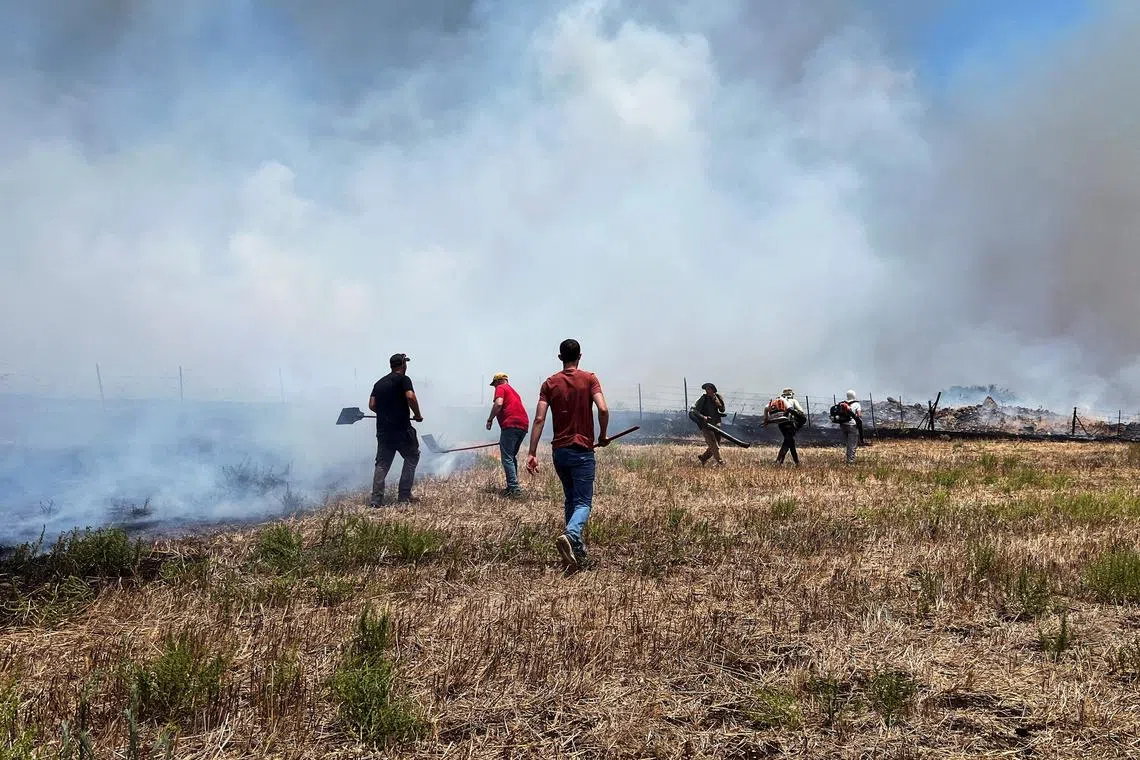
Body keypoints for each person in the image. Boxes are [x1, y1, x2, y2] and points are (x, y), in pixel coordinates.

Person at [525, 339, 610, 572]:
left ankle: (576, 550)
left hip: (559, 451)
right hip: (582, 449)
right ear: (579, 356)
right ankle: (571, 534)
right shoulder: (590, 379)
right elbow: (603, 409)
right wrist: (602, 435)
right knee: (583, 502)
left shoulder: (549, 384)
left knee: (571, 500)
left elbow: (539, 419)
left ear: (560, 358)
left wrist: (532, 452)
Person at [368, 353, 423, 506]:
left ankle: (376, 500)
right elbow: (410, 397)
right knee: (412, 457)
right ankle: (404, 496)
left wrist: (385, 414)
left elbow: (372, 405)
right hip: (401, 430)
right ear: (403, 364)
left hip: (383, 431)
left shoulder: (379, 383)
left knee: (382, 463)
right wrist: (417, 414)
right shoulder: (404, 379)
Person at [485, 372, 530, 498]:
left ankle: (514, 490)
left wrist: (490, 419)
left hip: (510, 425)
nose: (494, 387)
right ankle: (512, 486)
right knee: (511, 456)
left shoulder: (501, 388)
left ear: (498, 381)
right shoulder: (514, 391)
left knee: (507, 458)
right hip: (523, 425)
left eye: (494, 384)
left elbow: (498, 403)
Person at [690, 382, 726, 466]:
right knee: (714, 445)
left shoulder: (718, 397)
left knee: (714, 445)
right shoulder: (703, 398)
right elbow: (694, 410)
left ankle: (703, 458)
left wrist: (717, 402)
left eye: (709, 389)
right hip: (705, 425)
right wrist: (703, 417)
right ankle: (720, 462)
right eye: (706, 389)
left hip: (716, 424)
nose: (707, 390)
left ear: (713, 389)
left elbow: (722, 410)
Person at [773, 387, 806, 466]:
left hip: (781, 424)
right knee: (788, 442)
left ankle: (794, 462)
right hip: (790, 424)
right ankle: (779, 460)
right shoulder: (793, 401)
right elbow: (801, 411)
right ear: (791, 394)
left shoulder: (778, 401)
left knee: (790, 441)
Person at [835, 389, 862, 464]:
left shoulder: (841, 403)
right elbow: (859, 415)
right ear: (854, 395)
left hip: (843, 425)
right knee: (852, 444)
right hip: (852, 426)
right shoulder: (857, 404)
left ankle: (848, 459)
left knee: (847, 443)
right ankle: (850, 461)